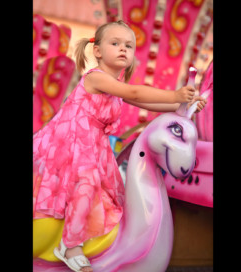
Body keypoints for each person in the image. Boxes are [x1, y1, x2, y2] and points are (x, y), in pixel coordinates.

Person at [33, 20, 207, 272]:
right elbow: (136, 94)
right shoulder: (96, 78)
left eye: (129, 45)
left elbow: (147, 104)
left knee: (104, 193)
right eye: (115, 44)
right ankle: (69, 245)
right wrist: (174, 95)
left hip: (93, 144)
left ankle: (92, 242)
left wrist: (184, 105)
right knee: (87, 182)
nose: (123, 49)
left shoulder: (116, 86)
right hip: (71, 139)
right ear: (98, 51)